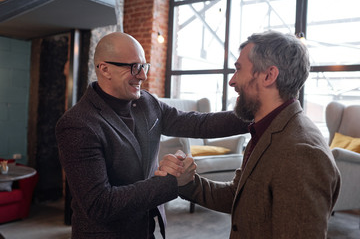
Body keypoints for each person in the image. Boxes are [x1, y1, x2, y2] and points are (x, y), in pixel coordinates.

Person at [55, 32, 248, 239]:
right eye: (134, 67)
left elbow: (199, 123)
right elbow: (100, 204)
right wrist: (172, 181)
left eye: (144, 66)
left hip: (147, 229)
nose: (143, 76)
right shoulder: (77, 124)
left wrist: (257, 114)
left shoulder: (147, 102)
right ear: (105, 69)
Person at [157, 31, 341, 238]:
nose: (232, 81)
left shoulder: (302, 153)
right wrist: (186, 182)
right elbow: (238, 195)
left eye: (238, 70)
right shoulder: (268, 128)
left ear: (269, 76)